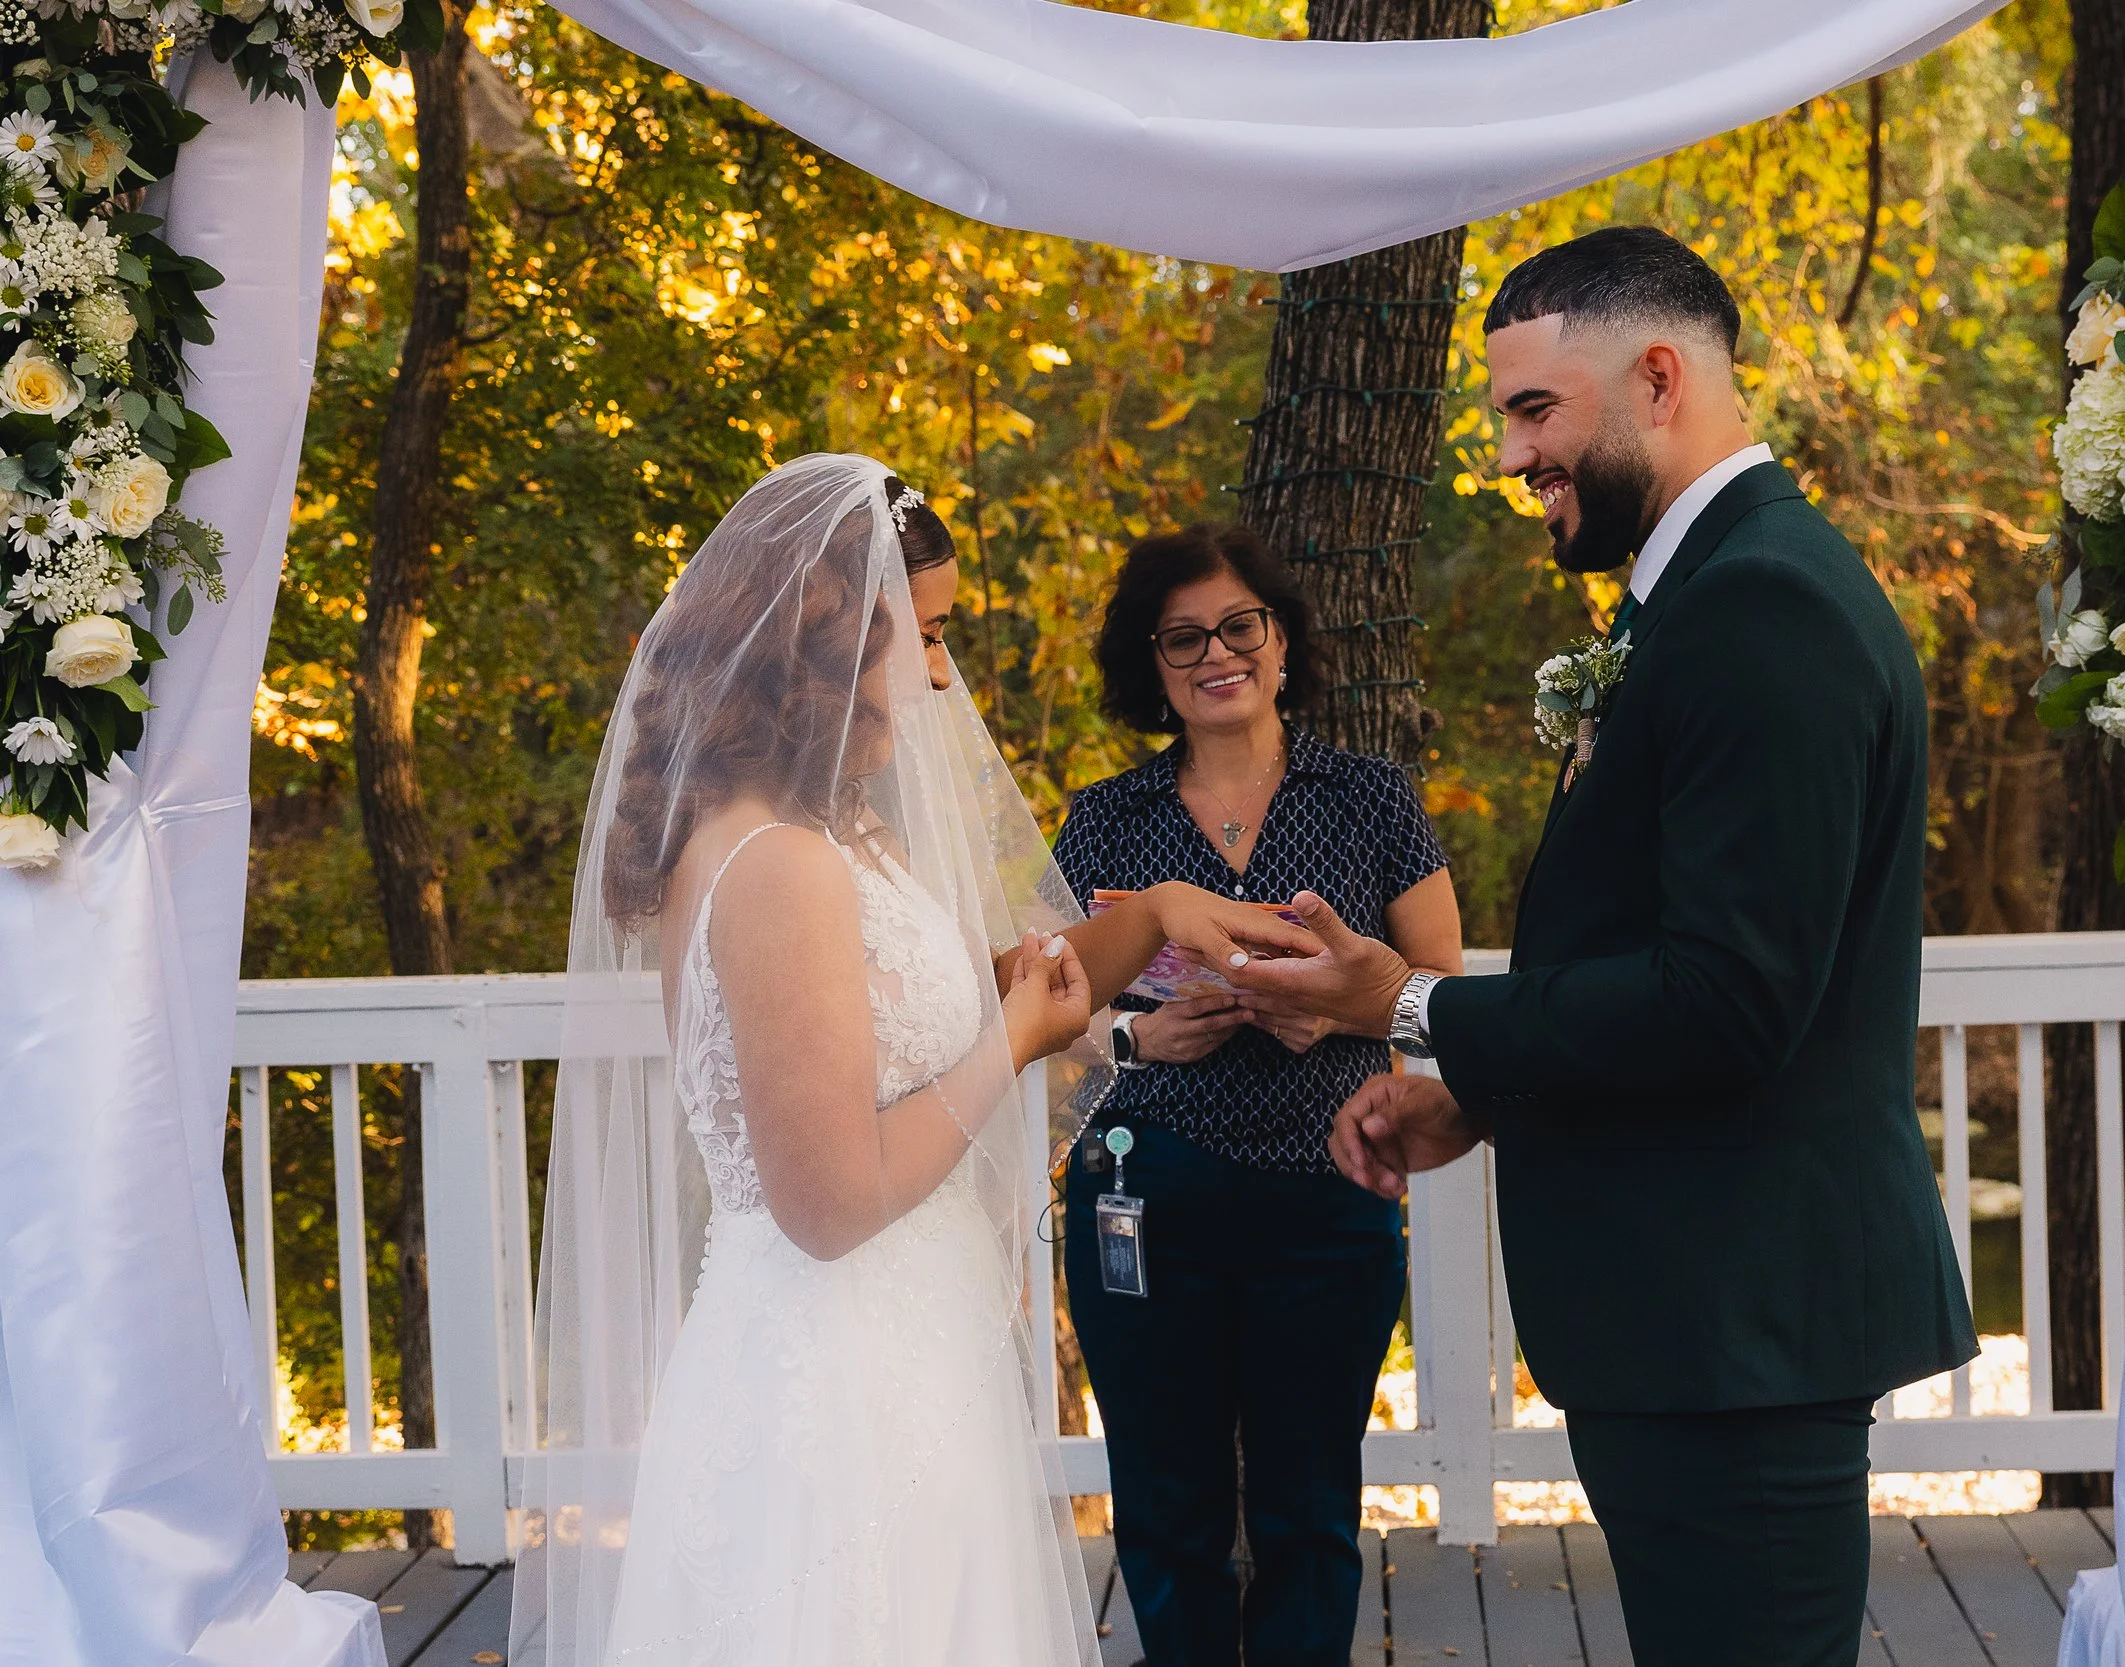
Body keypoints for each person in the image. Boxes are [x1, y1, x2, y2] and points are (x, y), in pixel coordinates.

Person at [1220, 227, 1977, 1666]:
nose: (1512, 456)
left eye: (1534, 411)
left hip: (1738, 1324)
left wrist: (1415, 1001)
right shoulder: (1712, 594)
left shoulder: (1766, 608)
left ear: (1657, 375)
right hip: (1700, 1323)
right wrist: (1482, 1094)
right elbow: (1687, 961)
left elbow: (1734, 999)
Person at [515, 456, 1281, 1667]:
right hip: (836, 1382)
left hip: (901, 1355)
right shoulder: (777, 866)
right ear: (824, 644)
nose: (939, 672)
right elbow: (830, 1200)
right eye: (924, 638)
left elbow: (922, 1005)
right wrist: (1020, 1044)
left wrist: (1152, 914)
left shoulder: (828, 835)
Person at [1050, 524, 1462, 1667]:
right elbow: (1049, 1001)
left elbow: (1441, 986)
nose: (1216, 652)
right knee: (1164, 1500)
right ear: (1154, 664)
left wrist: (1337, 1009)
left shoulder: (1372, 797)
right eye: (1184, 637)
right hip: (1143, 1192)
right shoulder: (1104, 818)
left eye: (1240, 625)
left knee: (1308, 1501)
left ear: (1280, 640)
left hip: (1325, 1193)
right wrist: (1139, 1029)